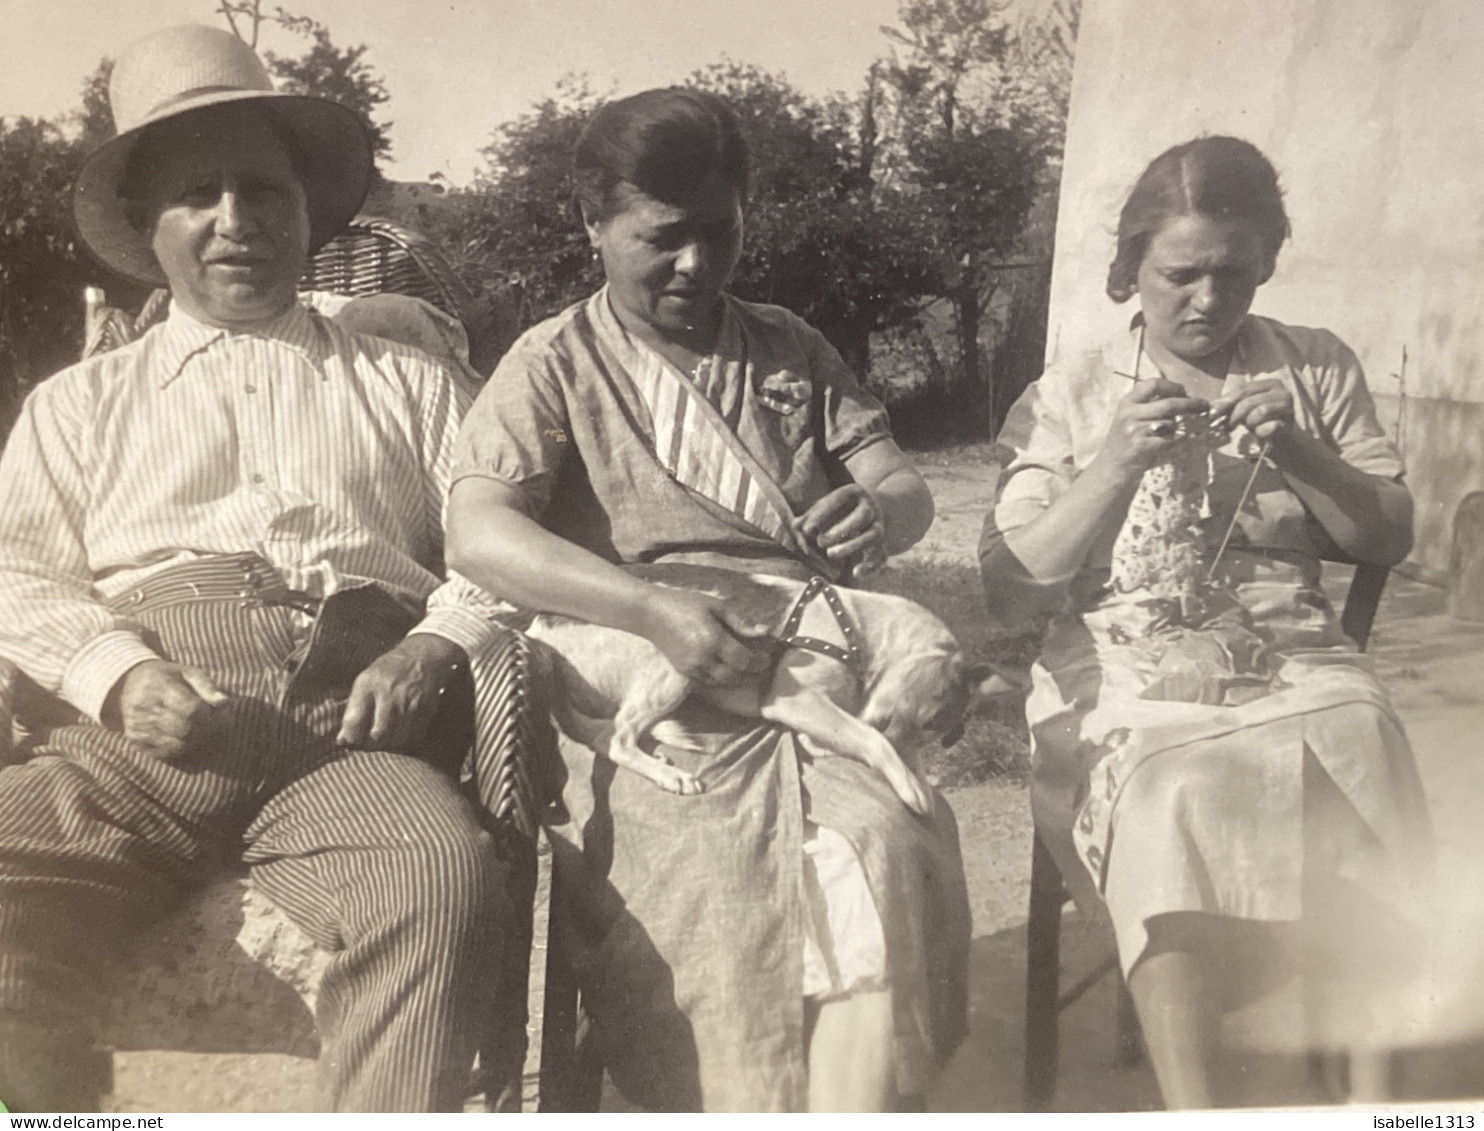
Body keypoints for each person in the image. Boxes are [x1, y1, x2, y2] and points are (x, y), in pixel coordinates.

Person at [0, 26, 513, 1112]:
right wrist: (117, 673)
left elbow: (500, 545)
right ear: (147, 227)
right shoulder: (81, 403)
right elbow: (15, 572)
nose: (236, 223)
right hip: (130, 744)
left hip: (347, 736)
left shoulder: (409, 384)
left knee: (437, 875)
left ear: (307, 209)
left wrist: (435, 644)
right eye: (198, 195)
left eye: (262, 190)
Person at [442, 87, 971, 1112]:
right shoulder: (551, 364)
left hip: (808, 671)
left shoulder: (786, 346)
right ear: (593, 226)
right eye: (662, 238)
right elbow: (480, 531)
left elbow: (895, 480)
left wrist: (879, 511)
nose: (695, 264)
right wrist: (647, 612)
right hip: (649, 692)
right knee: (726, 889)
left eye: (719, 234)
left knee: (881, 845)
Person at [980, 136, 1433, 1108]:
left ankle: (1372, 1101)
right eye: (1176, 274)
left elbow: (1385, 538)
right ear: (1129, 270)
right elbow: (1013, 589)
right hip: (1119, 647)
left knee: (1363, 733)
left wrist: (1305, 456)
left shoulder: (1308, 364)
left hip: (1288, 646)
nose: (1204, 299)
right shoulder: (1066, 391)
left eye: (1230, 273)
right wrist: (1107, 464)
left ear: (1265, 262)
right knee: (1169, 777)